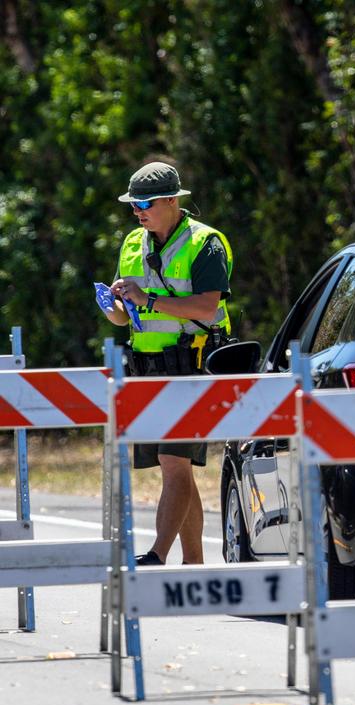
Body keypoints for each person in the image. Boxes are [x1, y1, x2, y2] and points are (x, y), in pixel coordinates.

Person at [99, 161, 233, 566]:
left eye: (145, 202)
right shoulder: (132, 243)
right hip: (147, 368)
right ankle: (194, 565)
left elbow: (208, 308)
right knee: (178, 469)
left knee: (173, 463)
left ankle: (157, 554)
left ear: (173, 201)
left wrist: (148, 300)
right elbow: (127, 314)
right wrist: (114, 306)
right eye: (132, 204)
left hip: (189, 365)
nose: (138, 211)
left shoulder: (205, 242)